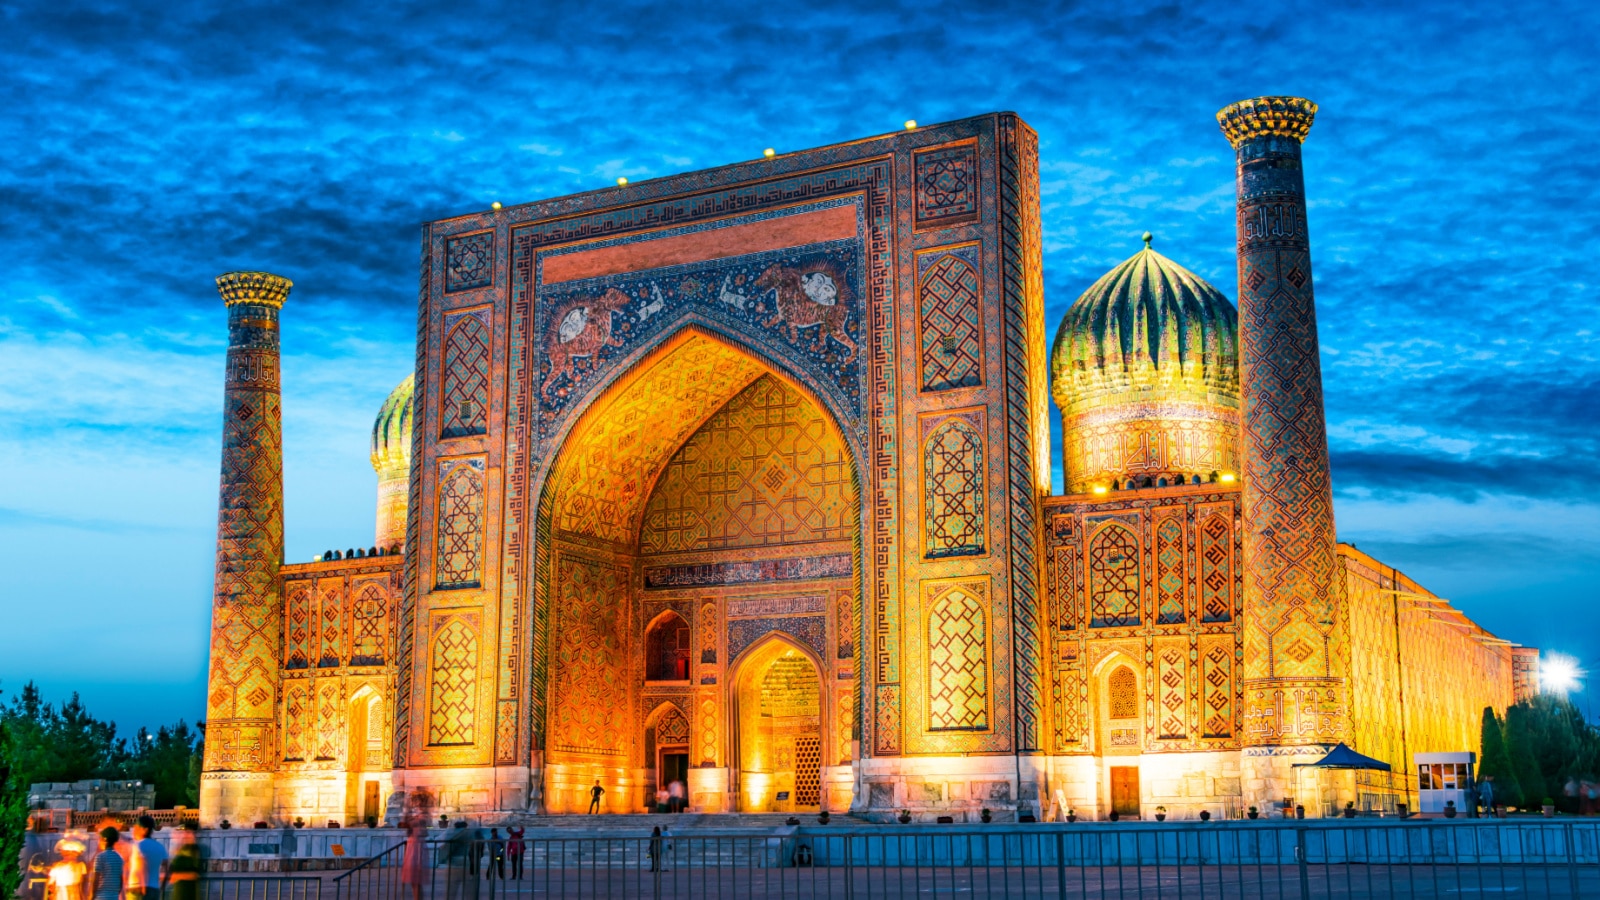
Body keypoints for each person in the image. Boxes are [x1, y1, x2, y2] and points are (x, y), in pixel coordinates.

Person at [399, 790, 431, 900]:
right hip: (412, 844)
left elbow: (411, 824)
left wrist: (408, 819)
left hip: (417, 845)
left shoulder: (423, 815)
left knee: (416, 878)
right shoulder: (414, 813)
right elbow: (403, 824)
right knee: (413, 879)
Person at [127, 816, 168, 900]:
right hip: (154, 889)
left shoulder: (137, 846)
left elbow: (140, 864)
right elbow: (166, 868)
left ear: (145, 829)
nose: (133, 831)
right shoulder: (160, 847)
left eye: (136, 828)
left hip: (137, 888)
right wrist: (161, 886)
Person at [164, 825, 201, 900]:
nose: (185, 835)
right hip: (179, 891)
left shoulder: (193, 850)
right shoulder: (182, 849)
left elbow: (194, 875)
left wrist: (175, 876)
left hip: (188, 893)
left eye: (189, 833)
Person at [90, 829, 123, 900]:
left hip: (100, 897)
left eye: (100, 839)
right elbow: (121, 881)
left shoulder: (100, 857)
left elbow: (96, 879)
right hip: (114, 897)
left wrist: (92, 895)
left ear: (104, 840)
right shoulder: (119, 858)